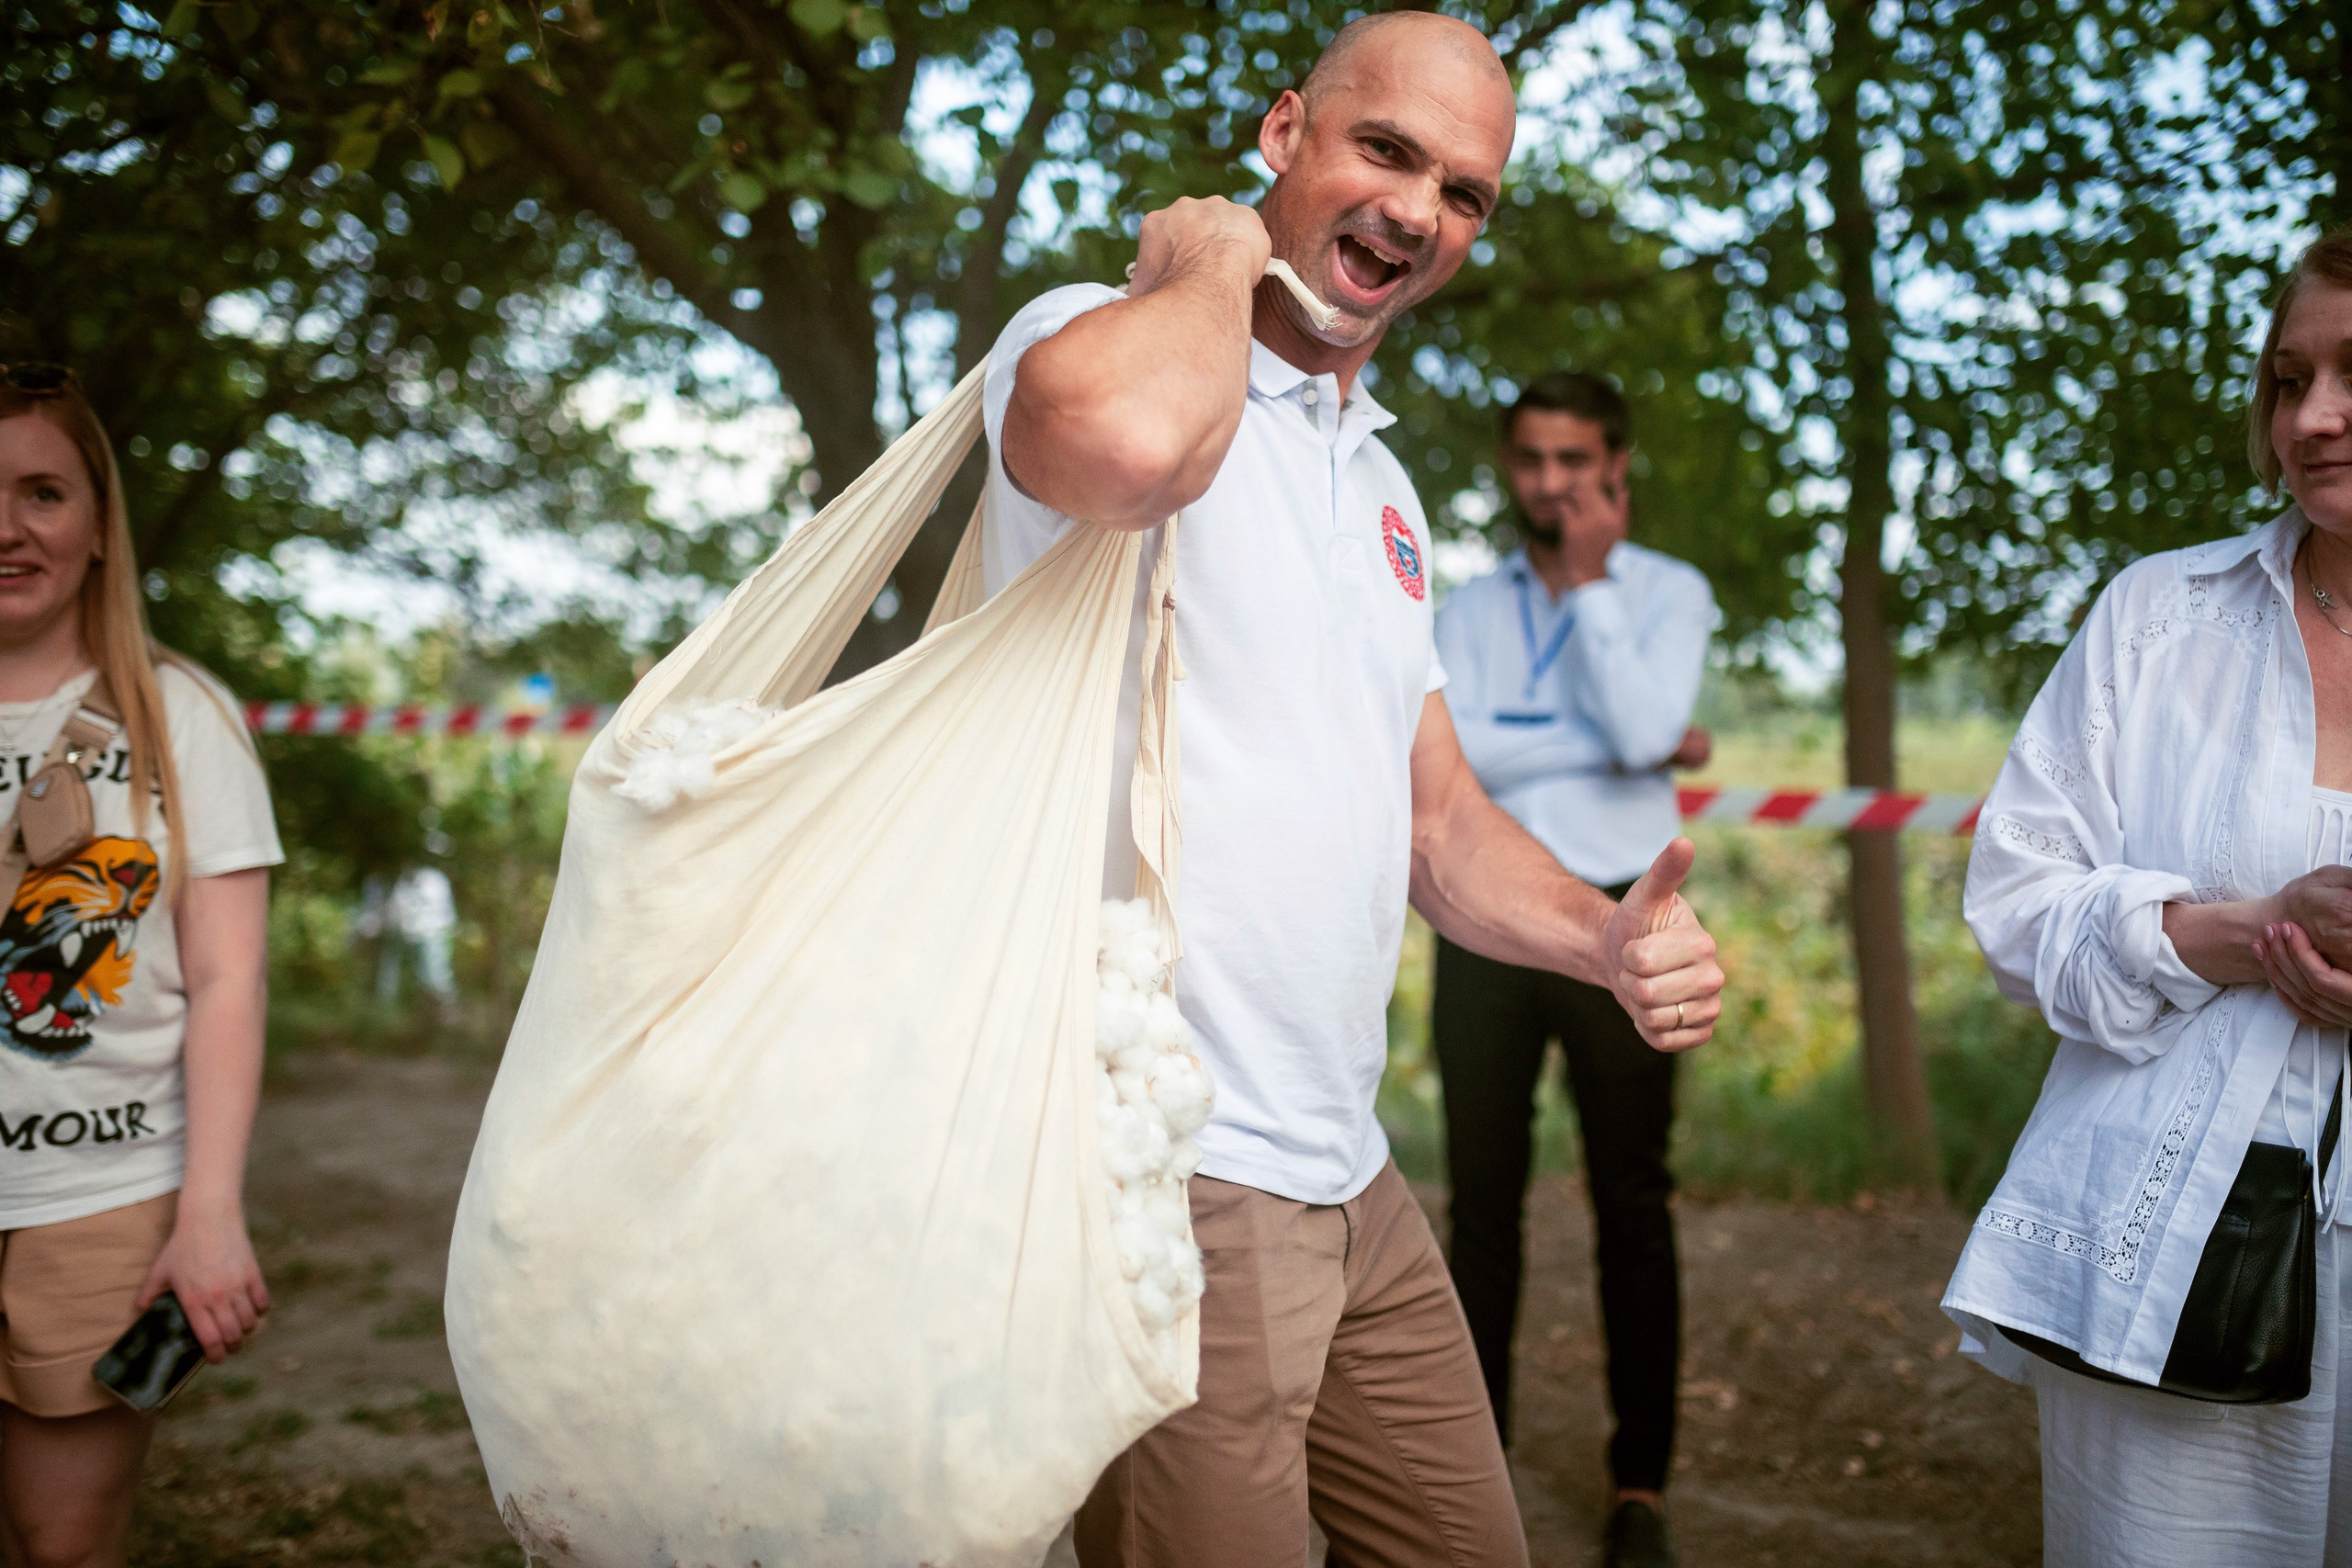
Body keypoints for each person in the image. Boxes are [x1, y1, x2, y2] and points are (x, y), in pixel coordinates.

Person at [986, 15, 1726, 1565]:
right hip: (1170, 1161)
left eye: (1463, 193)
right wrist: (1213, 264)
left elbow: (1438, 822)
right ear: (1283, 134)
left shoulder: (1382, 485)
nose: (1416, 212)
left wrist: (1601, 939)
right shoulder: (1103, 329)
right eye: (1386, 151)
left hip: (1349, 1169)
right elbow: (1121, 445)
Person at [1943, 229, 2352, 1565]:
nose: (2314, 416)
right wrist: (2239, 933)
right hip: (2168, 1254)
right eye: (2290, 380)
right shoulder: (2160, 617)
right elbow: (2017, 901)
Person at [1430, 370, 1716, 1568]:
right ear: (1510, 467)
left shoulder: (1668, 592)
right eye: (1531, 460)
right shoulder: (1461, 605)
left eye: (1573, 462)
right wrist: (1607, 742)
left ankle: (1638, 1489)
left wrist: (1594, 591)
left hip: (1623, 926)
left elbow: (1646, 733)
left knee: (1632, 1208)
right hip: (1484, 928)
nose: (1549, 485)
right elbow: (1451, 766)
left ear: (1615, 469)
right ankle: (1466, 1476)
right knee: (1480, 1210)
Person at [0, 366, 281, 1567]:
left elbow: (229, 981)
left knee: (67, 1544)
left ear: (101, 523)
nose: (8, 528)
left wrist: (208, 1214)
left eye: (43, 492)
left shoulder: (181, 716)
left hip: (104, 1198)